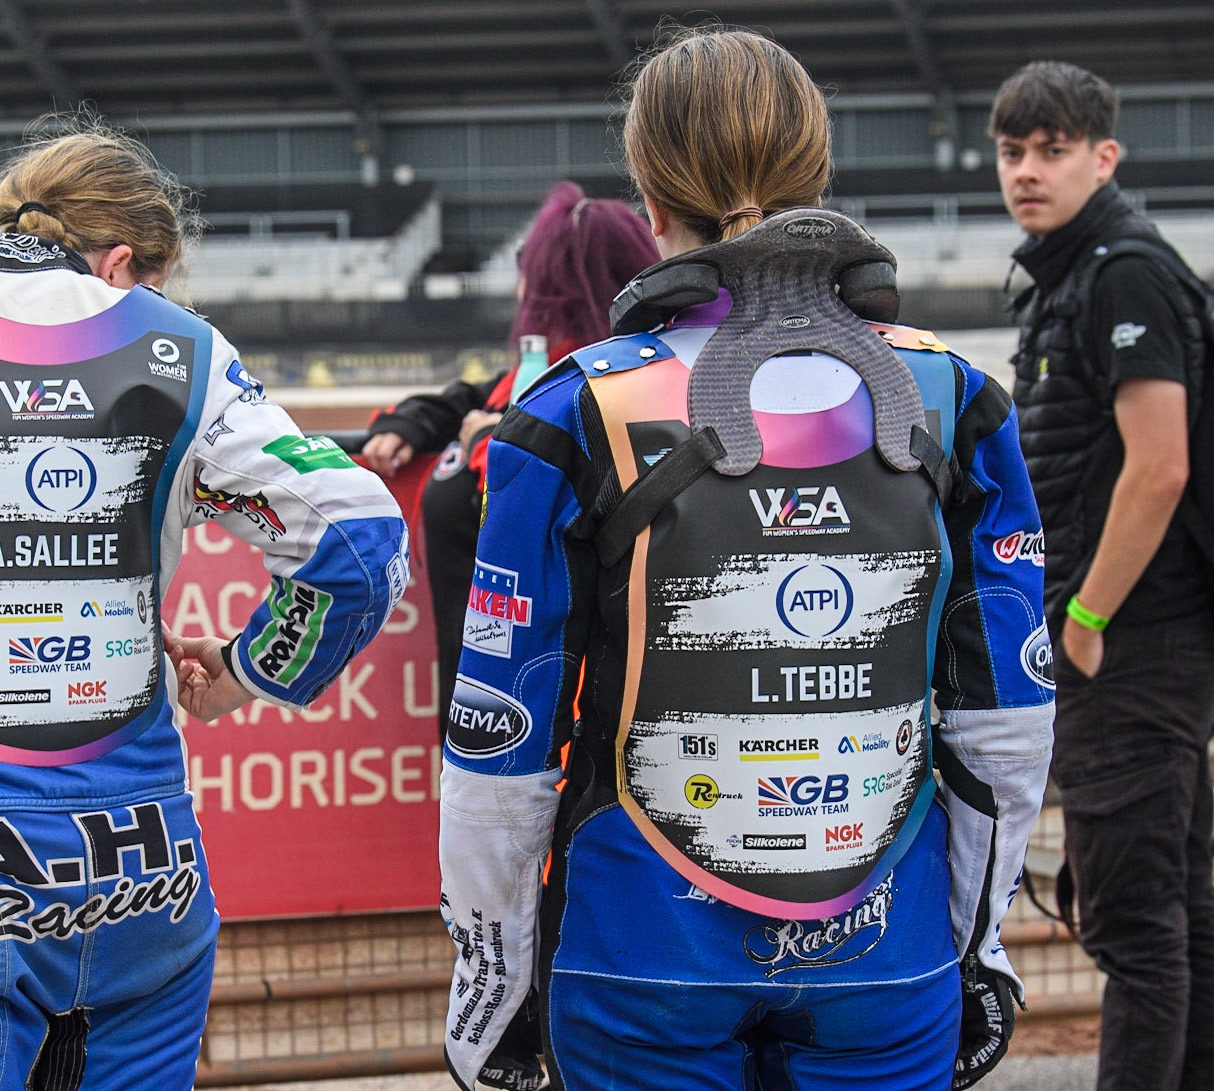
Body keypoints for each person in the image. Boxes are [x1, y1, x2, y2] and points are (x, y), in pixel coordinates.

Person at [438, 29, 1055, 1091]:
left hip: (636, 956)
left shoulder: (573, 405)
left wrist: (494, 982)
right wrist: (975, 946)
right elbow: (1005, 728)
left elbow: (502, 745)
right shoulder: (955, 395)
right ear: (816, 169)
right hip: (887, 954)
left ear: (648, 195)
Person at [0, 120, 407, 1090]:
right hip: (145, 861)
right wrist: (248, 669)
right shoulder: (176, 347)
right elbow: (358, 541)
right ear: (124, 263)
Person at [995, 60, 1214, 1091]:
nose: (1028, 170)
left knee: (1133, 925)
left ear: (1104, 156)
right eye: (1011, 151)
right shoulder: (1071, 274)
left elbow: (1158, 462)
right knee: (1181, 912)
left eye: (1052, 149)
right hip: (1134, 641)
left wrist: (1084, 614)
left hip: (1130, 640)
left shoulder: (1123, 271)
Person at [363, 182, 658, 747]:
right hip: (498, 715)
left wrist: (500, 437)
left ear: (555, 285)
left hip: (544, 728)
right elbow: (471, 396)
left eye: (531, 269)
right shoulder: (540, 382)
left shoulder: (583, 402)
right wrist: (413, 422)